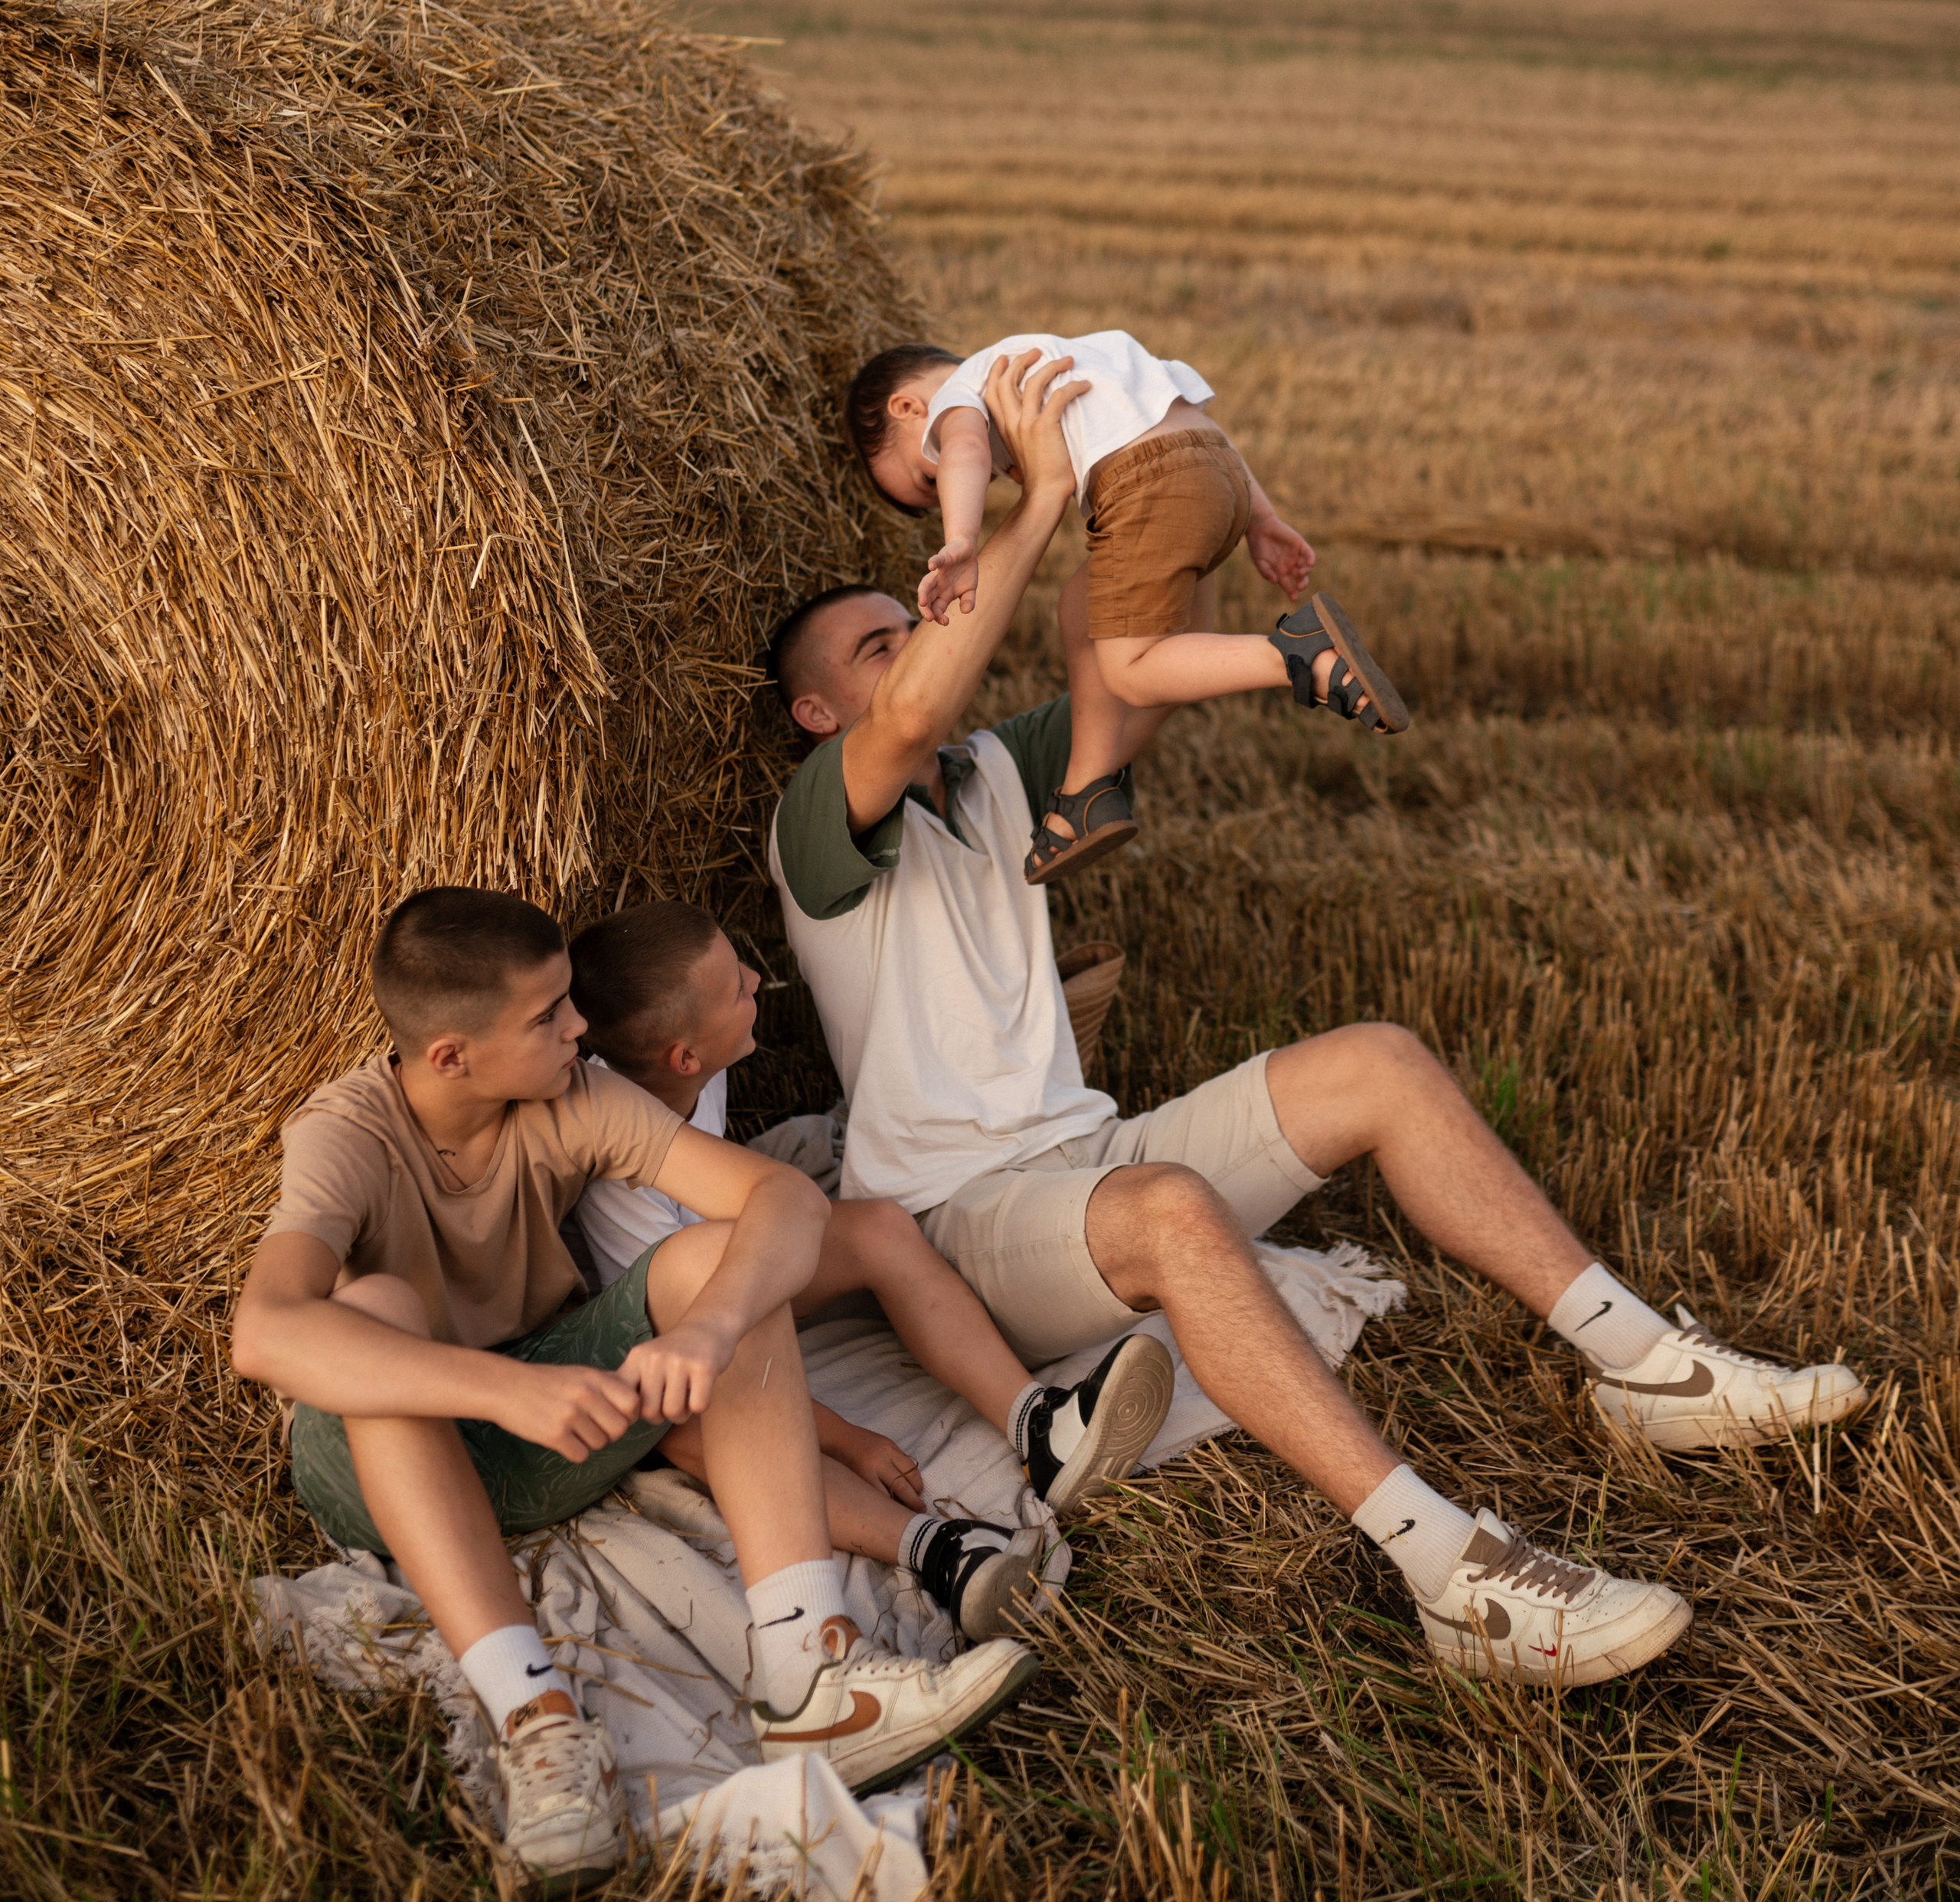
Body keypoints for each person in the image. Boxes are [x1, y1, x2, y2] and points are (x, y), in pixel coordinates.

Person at [767, 349, 1869, 1692]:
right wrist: (1031, 498)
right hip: (967, 1223)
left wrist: (1165, 480)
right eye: (880, 640)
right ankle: (1447, 1565)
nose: (925, 637)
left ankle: (1649, 1367)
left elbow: (1139, 649)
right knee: (1176, 1207)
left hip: (1084, 1155)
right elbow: (921, 696)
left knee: (1380, 1065)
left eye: (914, 618)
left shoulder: (999, 772)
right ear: (822, 706)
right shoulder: (823, 818)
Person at [230, 888, 1040, 1885]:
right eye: (548, 1017)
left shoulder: (574, 1092)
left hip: (551, 1426)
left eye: (571, 1001)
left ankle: (808, 1669)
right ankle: (540, 1724)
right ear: (451, 1055)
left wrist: (710, 1322)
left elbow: (779, 1199)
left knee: (715, 1260)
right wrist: (495, 1388)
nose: (580, 1027)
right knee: (381, 1303)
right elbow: (266, 1333)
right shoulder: (345, 1134)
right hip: (380, 1462)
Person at [566, 897, 1176, 1639]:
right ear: (683, 1059)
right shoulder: (617, 1172)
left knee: (880, 1229)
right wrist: (842, 1435)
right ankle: (938, 1549)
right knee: (708, 1432)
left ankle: (1039, 1425)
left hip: (732, 1272)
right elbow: (685, 1364)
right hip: (662, 1358)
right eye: (735, 988)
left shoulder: (686, 1060)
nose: (758, 981)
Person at [842, 328, 1407, 884]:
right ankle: (1086, 794)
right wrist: (1261, 519)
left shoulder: (961, 395)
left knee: (1131, 671)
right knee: (1079, 610)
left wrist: (963, 538)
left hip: (1145, 485)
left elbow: (963, 449)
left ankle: (1299, 654)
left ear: (909, 406)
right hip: (1218, 469)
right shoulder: (1069, 355)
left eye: (925, 477)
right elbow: (1195, 418)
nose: (969, 480)